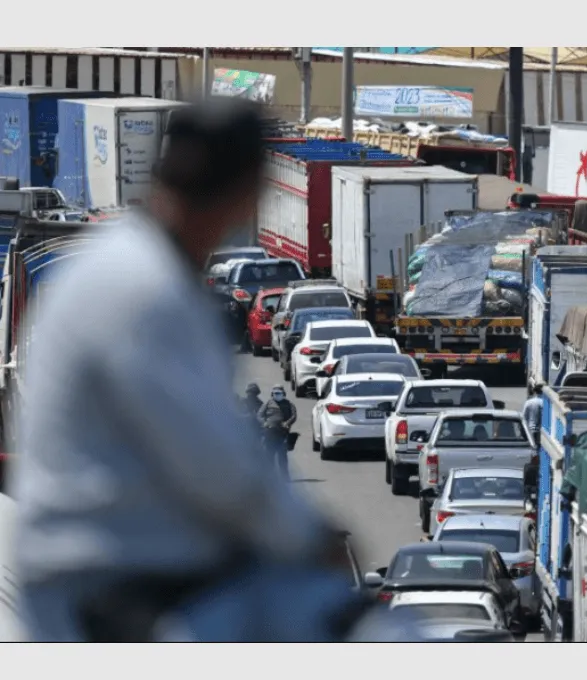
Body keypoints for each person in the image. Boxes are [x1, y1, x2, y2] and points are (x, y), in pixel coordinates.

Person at [10, 98, 384, 643]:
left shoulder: (121, 266)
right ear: (246, 192)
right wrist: (313, 537)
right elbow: (217, 467)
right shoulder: (145, 290)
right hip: (108, 585)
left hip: (115, 564)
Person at [258, 385, 297, 480]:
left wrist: (287, 423)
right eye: (275, 393)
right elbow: (259, 415)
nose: (277, 395)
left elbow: (294, 416)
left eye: (279, 393)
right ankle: (270, 477)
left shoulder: (289, 404)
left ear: (283, 394)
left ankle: (285, 477)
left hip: (282, 433)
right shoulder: (268, 403)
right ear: (272, 394)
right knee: (269, 455)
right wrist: (265, 423)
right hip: (270, 432)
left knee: (282, 456)